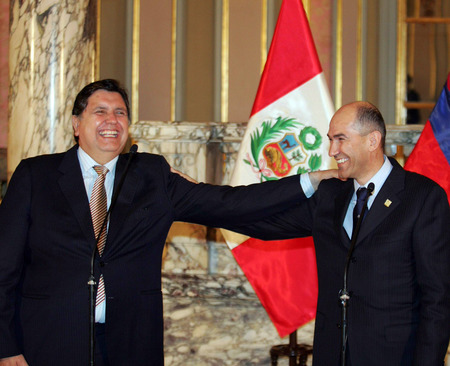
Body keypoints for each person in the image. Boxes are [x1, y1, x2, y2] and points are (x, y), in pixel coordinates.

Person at [0, 79, 337, 366]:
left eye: (120, 113)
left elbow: (230, 204)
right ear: (76, 124)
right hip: (48, 341)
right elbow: (4, 269)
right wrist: (6, 346)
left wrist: (313, 180)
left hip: (129, 345)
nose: (111, 120)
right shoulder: (35, 175)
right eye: (99, 111)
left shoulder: (151, 175)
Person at [227, 101, 450, 366]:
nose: (332, 150)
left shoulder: (422, 197)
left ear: (372, 140)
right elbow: (264, 222)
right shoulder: (331, 194)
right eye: (331, 140)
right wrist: (198, 202)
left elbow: (437, 301)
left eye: (341, 139)